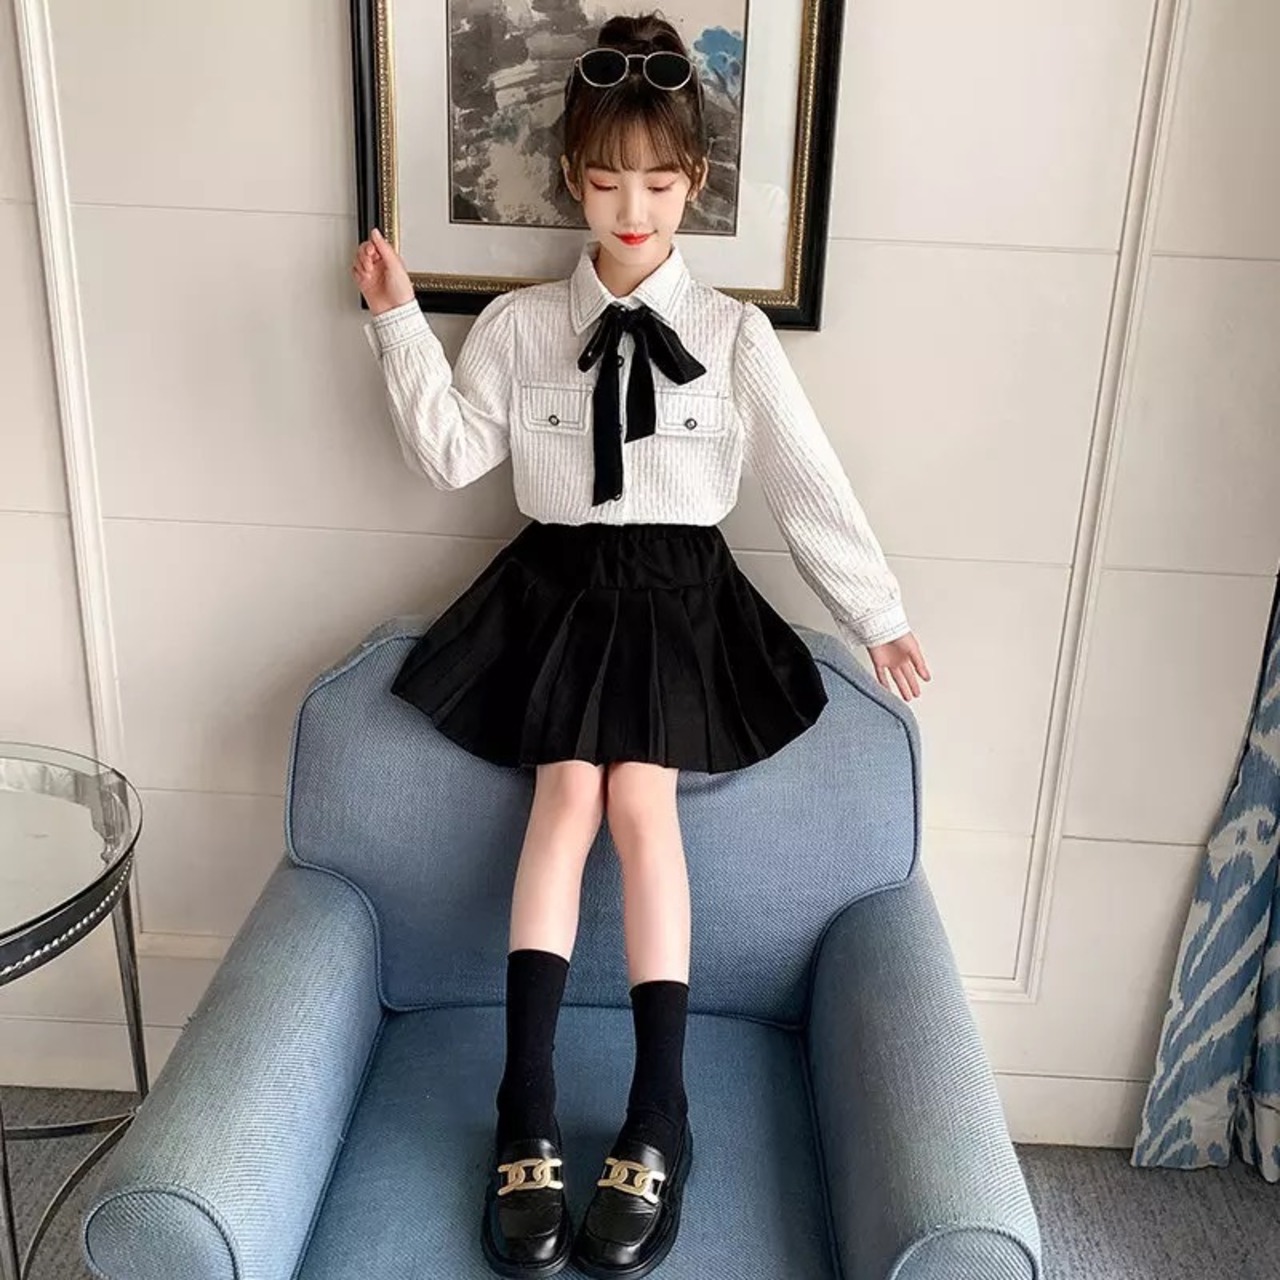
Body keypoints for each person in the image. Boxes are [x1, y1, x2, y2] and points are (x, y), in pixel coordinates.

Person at [351, 12, 930, 1278]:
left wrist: (876, 612)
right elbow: (449, 453)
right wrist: (398, 323)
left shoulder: (730, 335)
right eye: (608, 180)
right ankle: (524, 1104)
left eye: (659, 184)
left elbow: (805, 482)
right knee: (563, 797)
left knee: (637, 805)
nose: (632, 208)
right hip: (558, 589)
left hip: (678, 596)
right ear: (571, 176)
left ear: (694, 183)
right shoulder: (517, 326)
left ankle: (659, 1110)